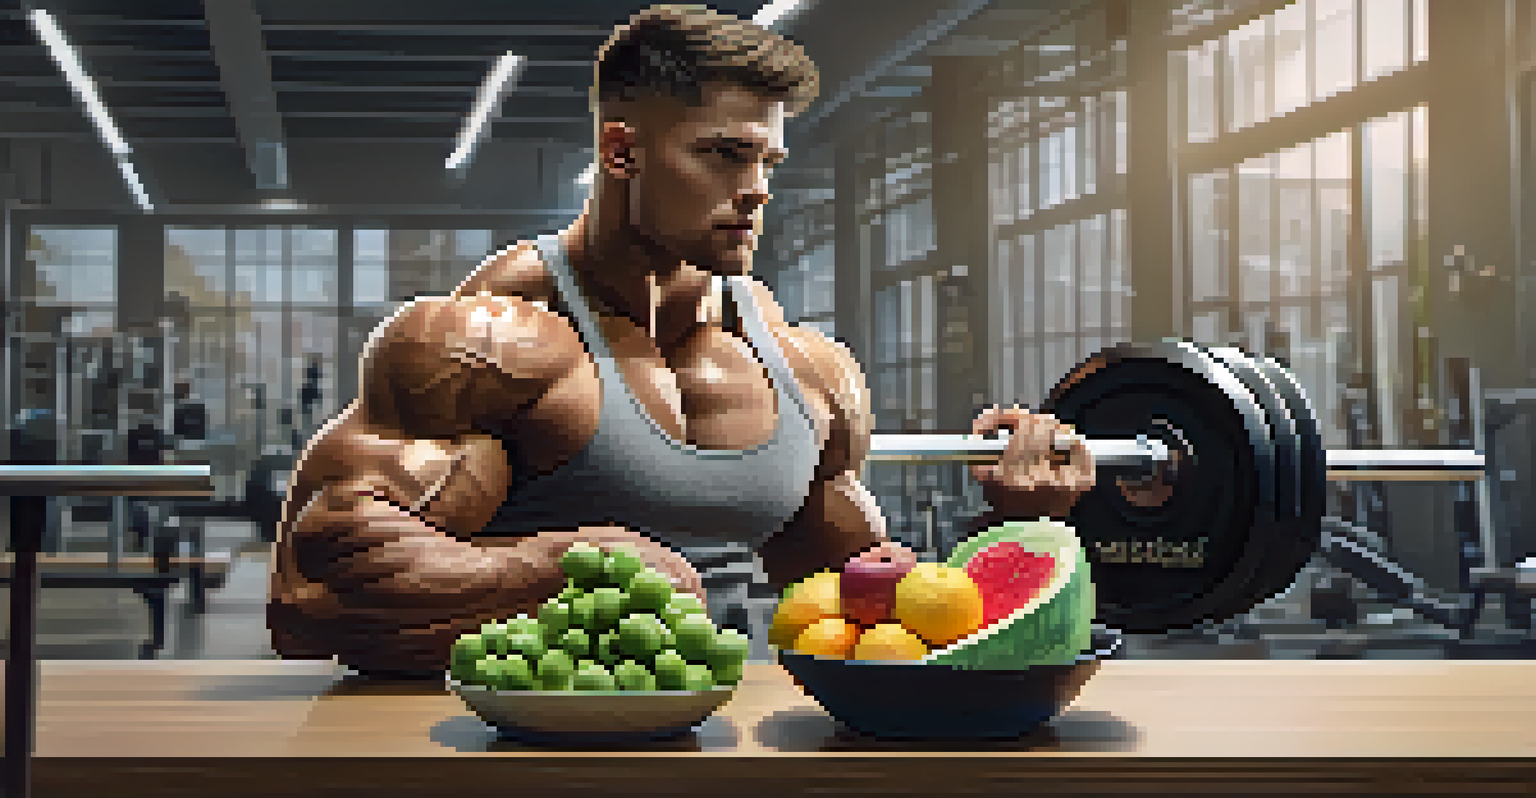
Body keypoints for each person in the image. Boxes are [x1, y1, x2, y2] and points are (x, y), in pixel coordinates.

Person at [267, 4, 1096, 676]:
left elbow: (868, 615)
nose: (756, 190)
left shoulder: (805, 366)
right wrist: (570, 568)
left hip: (713, 743)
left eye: (768, 161)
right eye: (724, 155)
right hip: (505, 742)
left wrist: (1021, 524)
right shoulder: (494, 343)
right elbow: (312, 592)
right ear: (621, 151)